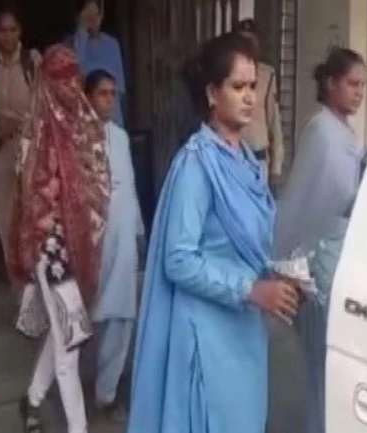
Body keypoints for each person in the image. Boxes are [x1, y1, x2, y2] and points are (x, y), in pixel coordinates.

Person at [127, 32, 300, 433]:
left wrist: (280, 281)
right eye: (238, 87)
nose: (249, 97)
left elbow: (250, 247)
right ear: (211, 93)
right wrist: (250, 289)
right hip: (206, 336)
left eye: (252, 86)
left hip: (244, 331)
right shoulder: (196, 165)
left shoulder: (247, 160)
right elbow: (178, 259)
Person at [7, 44, 111, 433]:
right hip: (49, 248)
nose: (70, 85)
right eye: (61, 78)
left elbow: (99, 181)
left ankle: (32, 400)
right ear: (48, 83)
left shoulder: (86, 124)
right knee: (70, 338)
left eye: (74, 76)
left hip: (82, 245)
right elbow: (31, 199)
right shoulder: (34, 134)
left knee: (62, 331)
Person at [273, 48, 366, 433]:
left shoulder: (346, 134)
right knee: (320, 363)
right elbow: (299, 202)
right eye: (352, 84)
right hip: (317, 263)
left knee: (337, 365)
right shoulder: (321, 133)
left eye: (362, 86)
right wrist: (290, 264)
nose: (359, 93)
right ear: (331, 83)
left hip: (340, 259)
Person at [84, 69, 144, 422]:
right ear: (88, 97)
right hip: (95, 239)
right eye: (102, 93)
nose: (109, 100)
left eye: (113, 94)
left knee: (123, 312)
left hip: (124, 237)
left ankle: (106, 394)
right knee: (96, 312)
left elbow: (130, 187)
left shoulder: (120, 137)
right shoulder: (77, 139)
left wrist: (138, 230)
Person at [0, 5, 40, 291]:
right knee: (7, 226)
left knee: (31, 224)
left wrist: (21, 124)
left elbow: (43, 108)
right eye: (2, 30)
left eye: (13, 30)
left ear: (21, 31)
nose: (8, 36)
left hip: (30, 151)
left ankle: (39, 291)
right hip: (2, 153)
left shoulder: (33, 61)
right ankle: (21, 296)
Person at [235, 18, 285, 188]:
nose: (247, 47)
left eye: (251, 42)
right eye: (242, 42)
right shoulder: (226, 75)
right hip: (233, 156)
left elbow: (273, 121)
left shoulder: (266, 75)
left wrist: (276, 167)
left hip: (258, 157)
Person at [68, 0, 126, 126]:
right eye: (89, 17)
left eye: (96, 16)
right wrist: (82, 34)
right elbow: (75, 74)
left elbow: (119, 87)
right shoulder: (69, 45)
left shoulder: (112, 44)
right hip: (84, 116)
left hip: (112, 117)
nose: (94, 21)